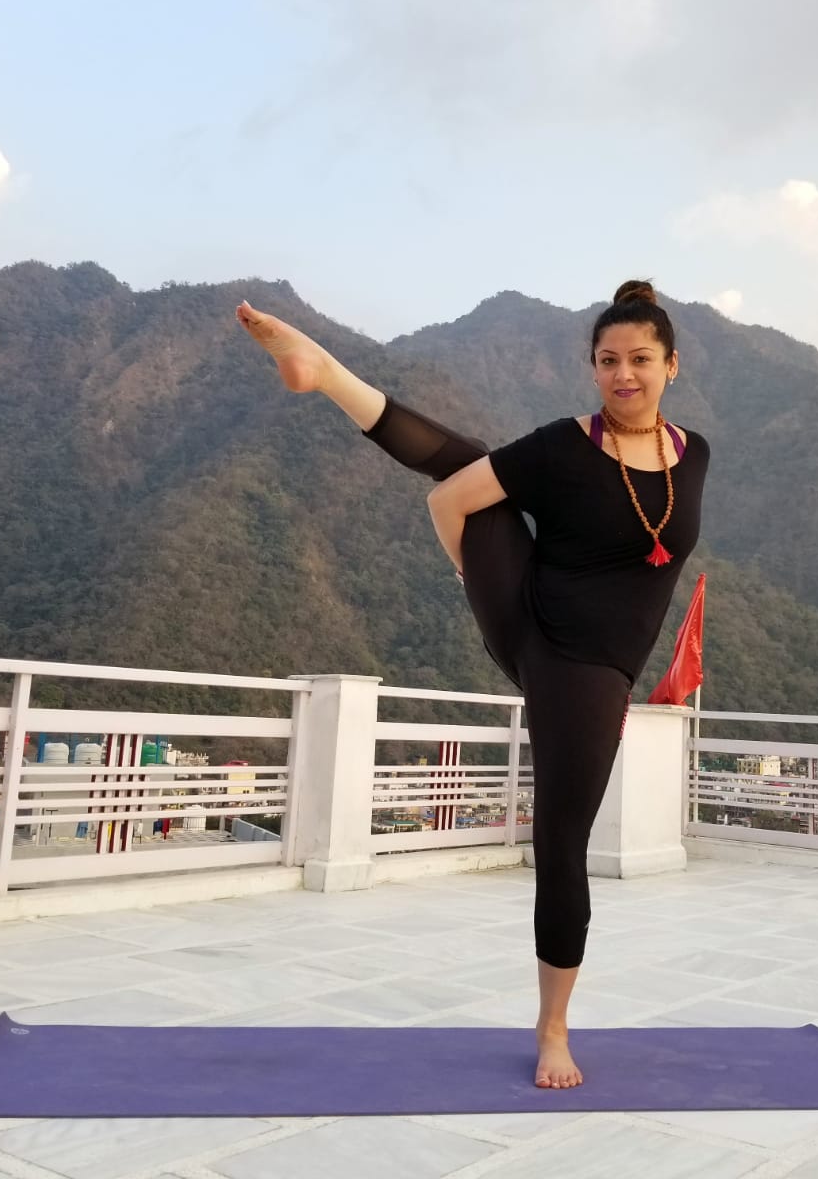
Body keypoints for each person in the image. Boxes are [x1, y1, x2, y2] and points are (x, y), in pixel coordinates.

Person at [236, 279, 708, 1089]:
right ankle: (552, 1029)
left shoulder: (694, 452)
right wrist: (477, 582)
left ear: (672, 365)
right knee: (562, 844)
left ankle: (324, 374)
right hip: (543, 642)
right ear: (592, 368)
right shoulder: (564, 445)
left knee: (566, 835)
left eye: (638, 360)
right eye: (606, 361)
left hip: (604, 663)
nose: (622, 375)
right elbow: (449, 502)